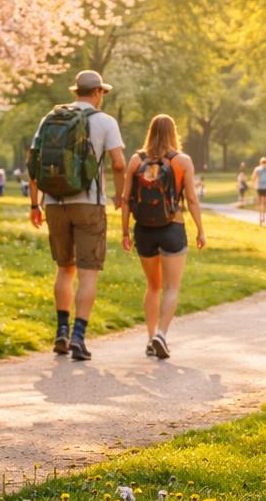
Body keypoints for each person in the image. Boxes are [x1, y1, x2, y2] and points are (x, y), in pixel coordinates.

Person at [29, 70, 127, 362]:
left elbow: (34, 161)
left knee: (64, 269)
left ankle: (60, 331)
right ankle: (78, 337)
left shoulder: (50, 118)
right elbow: (119, 164)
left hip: (54, 203)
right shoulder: (105, 121)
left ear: (75, 91)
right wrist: (119, 195)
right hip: (89, 202)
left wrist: (34, 204)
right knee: (87, 272)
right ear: (98, 92)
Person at [120, 114, 206, 361]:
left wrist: (125, 231)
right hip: (173, 228)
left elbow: (126, 199)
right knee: (171, 287)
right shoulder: (182, 161)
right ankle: (161, 335)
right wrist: (200, 229)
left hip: (144, 229)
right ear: (173, 133)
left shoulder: (136, 160)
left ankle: (149, 339)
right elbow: (191, 199)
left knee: (153, 286)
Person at [253, 157, 266, 225]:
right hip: (261, 187)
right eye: (263, 162)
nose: (264, 164)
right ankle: (262, 217)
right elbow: (254, 177)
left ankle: (263, 217)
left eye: (265, 162)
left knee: (264, 202)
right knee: (263, 202)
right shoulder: (260, 169)